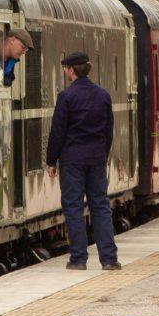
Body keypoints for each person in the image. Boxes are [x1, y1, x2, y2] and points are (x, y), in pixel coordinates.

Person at [46, 51, 120, 270]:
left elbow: (57, 132)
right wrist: (102, 154)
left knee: (73, 207)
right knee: (100, 205)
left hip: (72, 161)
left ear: (71, 70)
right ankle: (109, 259)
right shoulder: (103, 95)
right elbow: (109, 131)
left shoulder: (66, 97)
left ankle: (78, 259)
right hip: (96, 158)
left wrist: (51, 161)